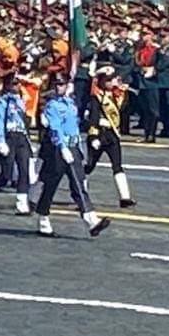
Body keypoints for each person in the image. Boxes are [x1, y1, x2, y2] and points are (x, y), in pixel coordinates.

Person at [35, 72, 111, 238]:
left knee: (79, 183)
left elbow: (74, 126)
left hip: (73, 146)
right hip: (59, 149)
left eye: (61, 84)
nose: (59, 87)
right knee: (51, 185)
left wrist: (77, 147)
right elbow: (55, 128)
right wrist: (62, 147)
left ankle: (91, 220)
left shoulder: (70, 103)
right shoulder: (52, 106)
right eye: (56, 85)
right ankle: (43, 218)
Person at [83, 66, 136, 208]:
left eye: (111, 79)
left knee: (117, 165)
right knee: (89, 166)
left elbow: (123, 110)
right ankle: (81, 194)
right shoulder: (95, 97)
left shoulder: (115, 95)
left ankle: (125, 197)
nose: (110, 82)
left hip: (112, 135)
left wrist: (123, 92)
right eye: (107, 80)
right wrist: (93, 136)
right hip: (99, 134)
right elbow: (93, 117)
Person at [0, 72, 31, 214]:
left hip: (21, 136)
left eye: (18, 83)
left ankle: (22, 202)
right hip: (9, 136)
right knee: (7, 171)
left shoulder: (22, 99)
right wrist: (1, 140)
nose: (17, 86)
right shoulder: (4, 101)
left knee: (24, 169)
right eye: (13, 83)